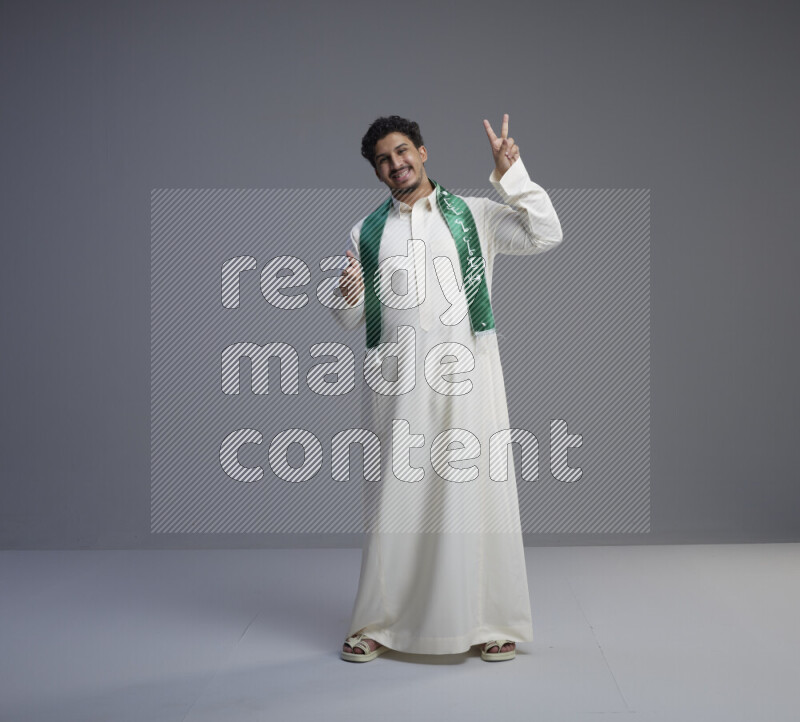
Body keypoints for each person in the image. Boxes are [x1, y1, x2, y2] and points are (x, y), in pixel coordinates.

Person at [331, 114, 563, 662]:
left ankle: (489, 621)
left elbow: (546, 234)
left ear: (424, 152)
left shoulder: (473, 216)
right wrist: (344, 294)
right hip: (398, 381)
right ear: (377, 172)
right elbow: (351, 319)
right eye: (384, 159)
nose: (396, 163)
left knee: (475, 491)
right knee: (395, 498)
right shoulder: (366, 232)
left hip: (469, 376)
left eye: (403, 151)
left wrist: (513, 176)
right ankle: (378, 624)